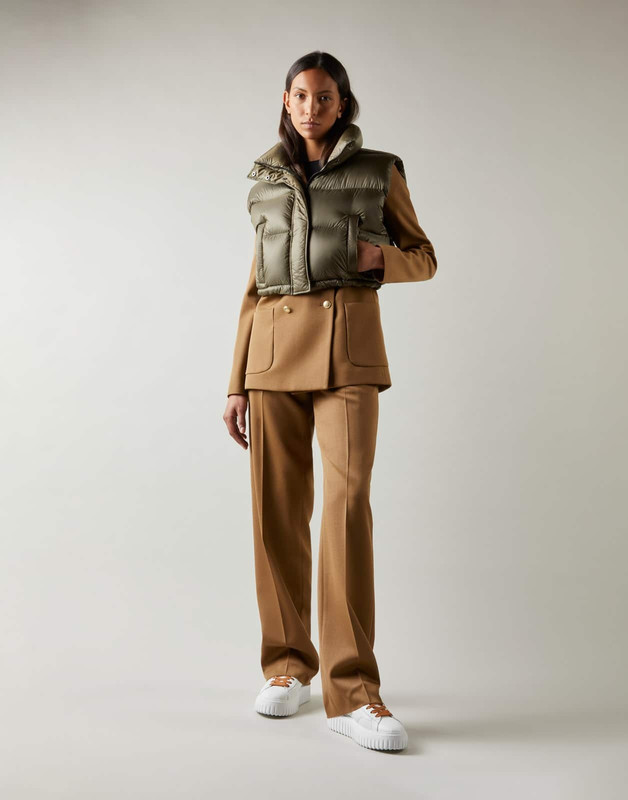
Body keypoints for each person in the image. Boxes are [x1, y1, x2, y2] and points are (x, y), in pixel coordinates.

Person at [223, 50, 437, 752]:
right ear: (285, 102)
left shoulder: (380, 170)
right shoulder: (264, 179)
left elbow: (424, 255)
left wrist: (382, 261)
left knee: (346, 510)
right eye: (299, 96)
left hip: (347, 352)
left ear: (342, 103)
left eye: (323, 96)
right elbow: (255, 286)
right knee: (276, 513)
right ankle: (287, 667)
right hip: (271, 356)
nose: (310, 107)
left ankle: (353, 692)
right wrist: (235, 382)